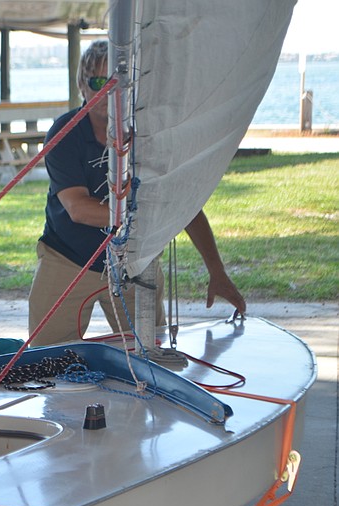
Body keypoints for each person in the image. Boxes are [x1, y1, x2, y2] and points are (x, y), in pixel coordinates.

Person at [28, 39, 247, 347]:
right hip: (68, 259)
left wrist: (217, 271)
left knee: (149, 358)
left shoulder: (150, 136)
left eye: (119, 83)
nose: (108, 91)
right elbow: (78, 209)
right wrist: (153, 213)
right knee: (45, 361)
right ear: (82, 85)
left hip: (135, 261)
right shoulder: (65, 132)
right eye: (98, 82)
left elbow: (184, 206)